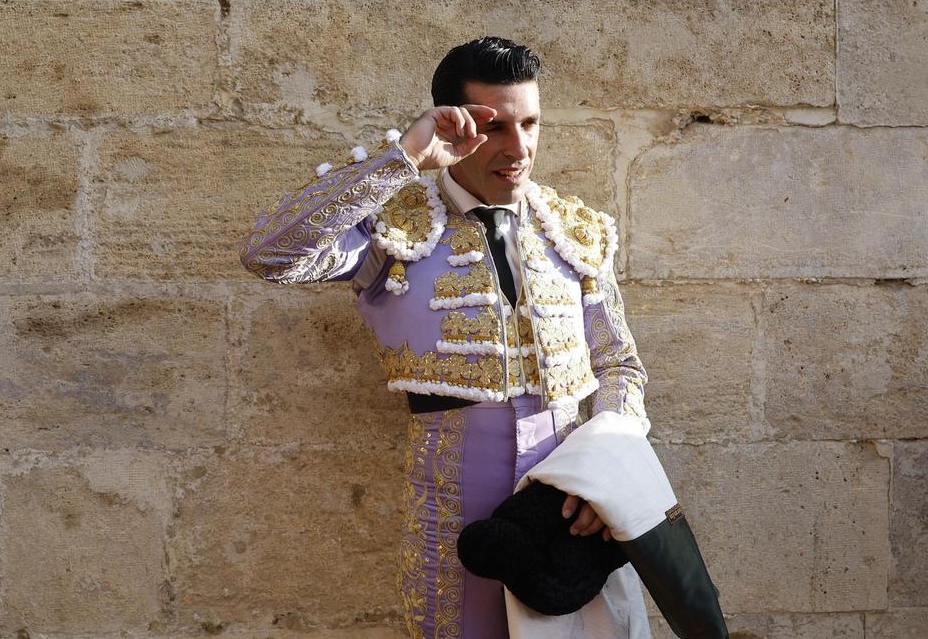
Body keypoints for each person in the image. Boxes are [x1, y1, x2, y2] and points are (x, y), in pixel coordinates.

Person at [239, 37, 653, 638]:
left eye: (530, 123)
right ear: (453, 127)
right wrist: (402, 159)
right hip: (452, 510)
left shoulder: (574, 228)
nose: (519, 149)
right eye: (497, 128)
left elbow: (619, 364)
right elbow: (269, 254)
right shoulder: (392, 225)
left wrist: (607, 477)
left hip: (569, 506)